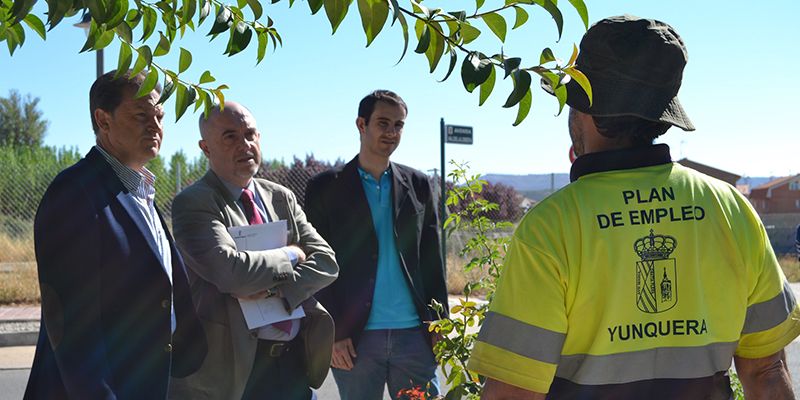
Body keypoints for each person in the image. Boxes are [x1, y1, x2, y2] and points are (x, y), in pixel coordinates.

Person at [468, 15, 800, 400]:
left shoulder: (551, 227)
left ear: (584, 108)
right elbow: (767, 372)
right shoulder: (731, 208)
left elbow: (512, 394)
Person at [23, 70, 207, 399]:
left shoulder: (140, 192)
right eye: (140, 114)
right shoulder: (76, 193)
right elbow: (73, 325)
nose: (155, 125)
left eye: (160, 116)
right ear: (103, 120)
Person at [167, 101, 338, 400]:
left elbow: (326, 261)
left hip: (293, 364)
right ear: (206, 148)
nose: (245, 144)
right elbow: (232, 273)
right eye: (230, 136)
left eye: (251, 134)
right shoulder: (194, 203)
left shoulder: (280, 197)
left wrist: (280, 294)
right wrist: (293, 255)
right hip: (233, 373)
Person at [305, 90, 448, 399]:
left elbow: (431, 260)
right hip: (354, 339)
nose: (391, 132)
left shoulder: (419, 185)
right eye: (383, 123)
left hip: (414, 336)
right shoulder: (325, 188)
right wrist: (335, 332)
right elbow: (316, 264)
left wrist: (439, 326)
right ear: (361, 124)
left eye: (399, 125)